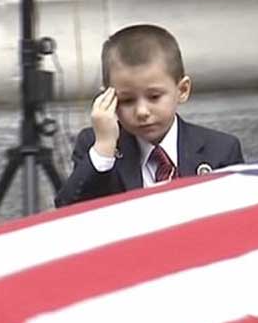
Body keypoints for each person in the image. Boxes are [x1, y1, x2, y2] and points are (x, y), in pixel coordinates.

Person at [54, 24, 244, 208]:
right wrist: (104, 149)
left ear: (182, 90)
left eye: (154, 97)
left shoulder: (220, 150)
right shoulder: (96, 145)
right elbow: (68, 210)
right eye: (127, 100)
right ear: (108, 98)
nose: (142, 112)